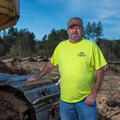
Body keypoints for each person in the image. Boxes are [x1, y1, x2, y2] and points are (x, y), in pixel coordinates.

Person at [27, 17, 107, 120]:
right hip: (65, 102)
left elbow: (100, 70)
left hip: (86, 100)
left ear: (82, 30)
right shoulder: (61, 46)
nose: (74, 30)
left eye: (77, 28)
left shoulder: (91, 46)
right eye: (71, 28)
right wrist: (37, 77)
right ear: (67, 31)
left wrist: (93, 94)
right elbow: (51, 64)